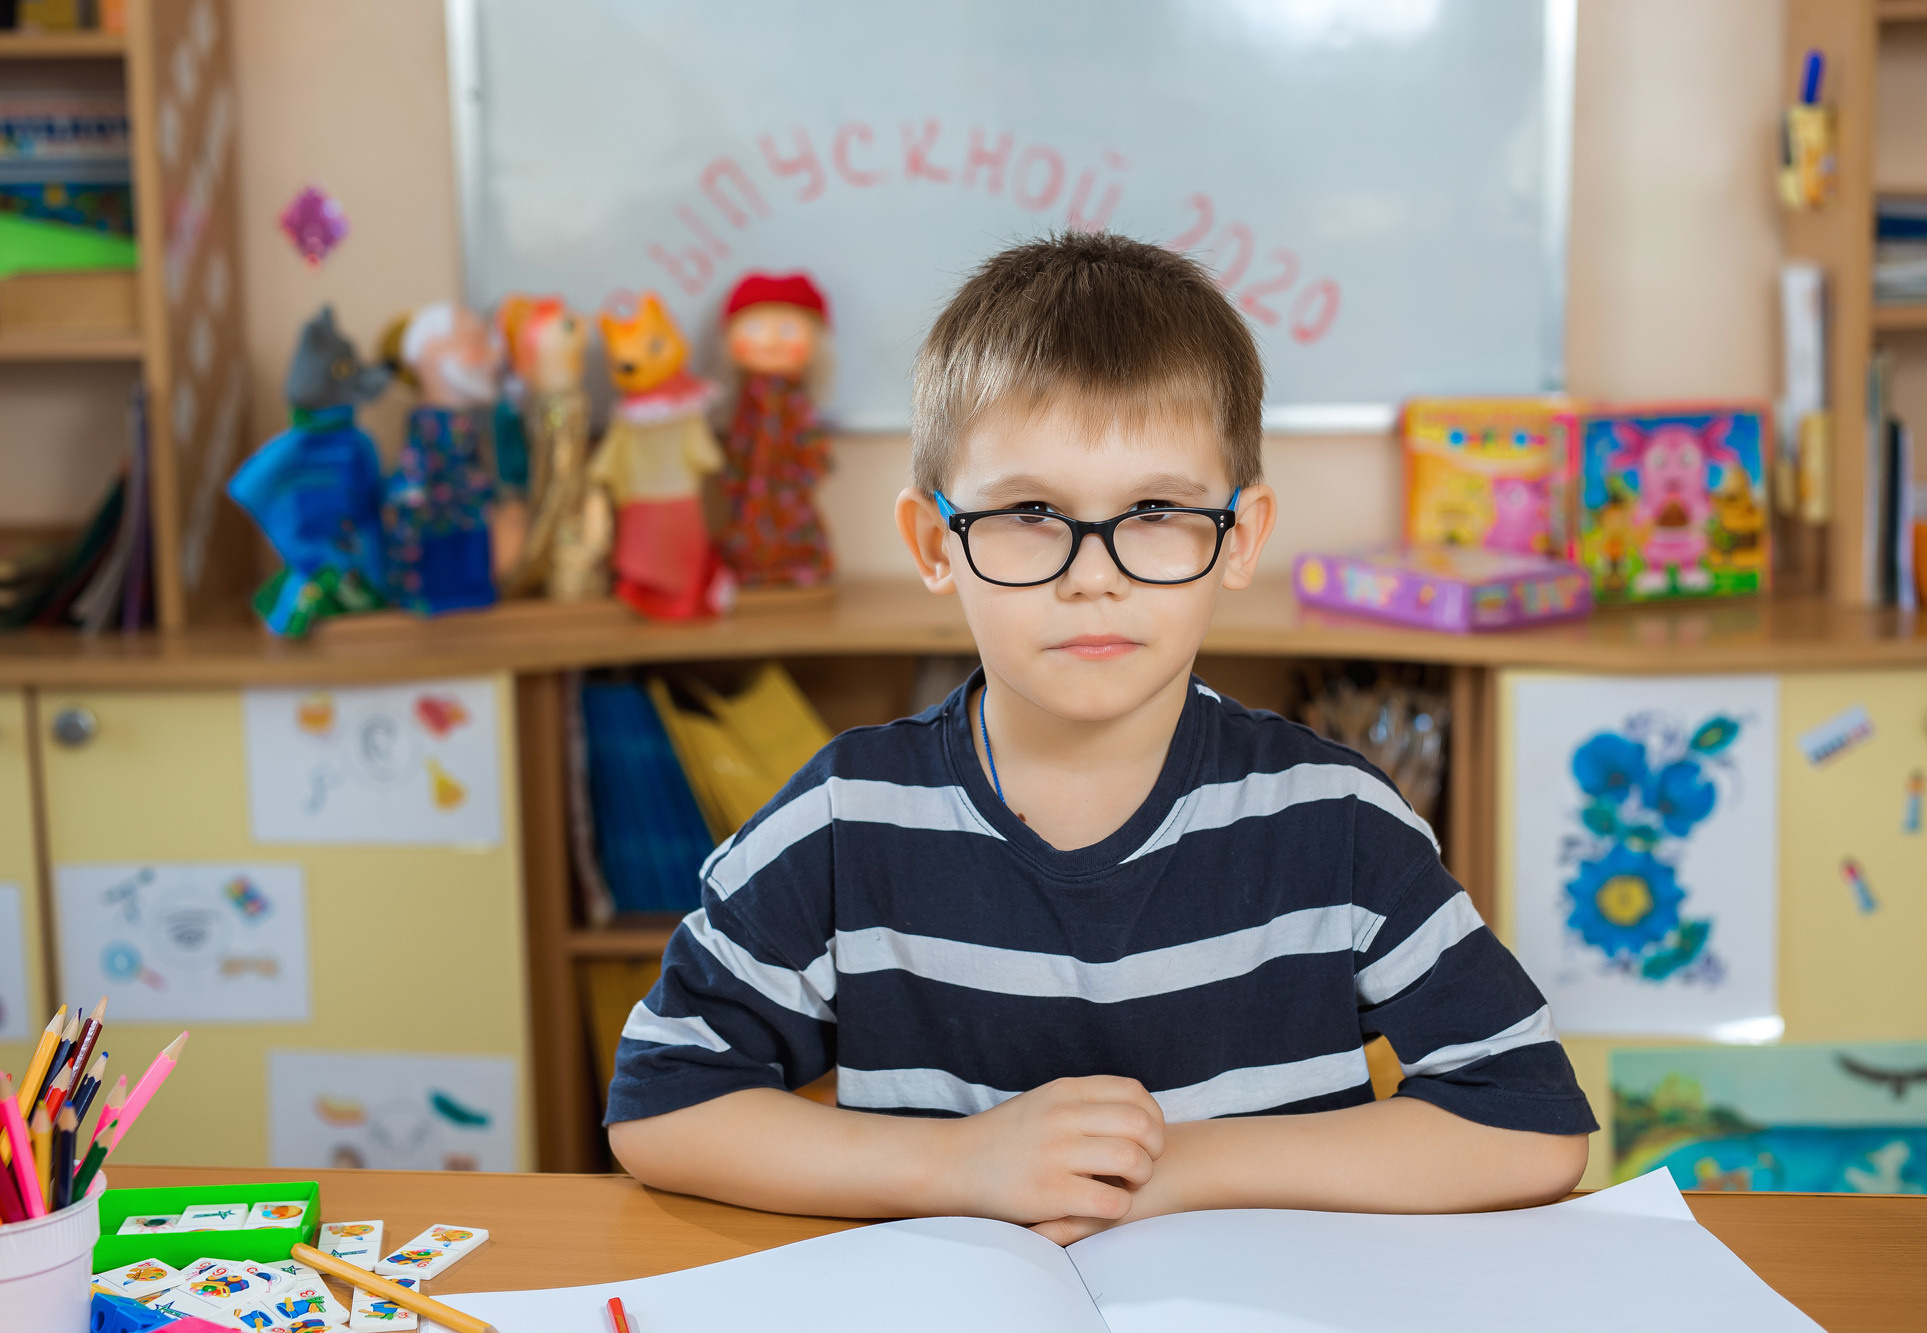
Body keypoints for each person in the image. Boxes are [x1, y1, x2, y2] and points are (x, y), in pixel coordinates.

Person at [606, 232, 1593, 1243]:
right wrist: (960, 1163)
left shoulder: (1336, 820)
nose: (1093, 574)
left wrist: (1166, 1170)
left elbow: (1527, 1120)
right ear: (934, 543)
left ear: (1241, 536)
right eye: (1030, 510)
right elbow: (663, 1100)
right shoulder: (844, 818)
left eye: (1155, 510)